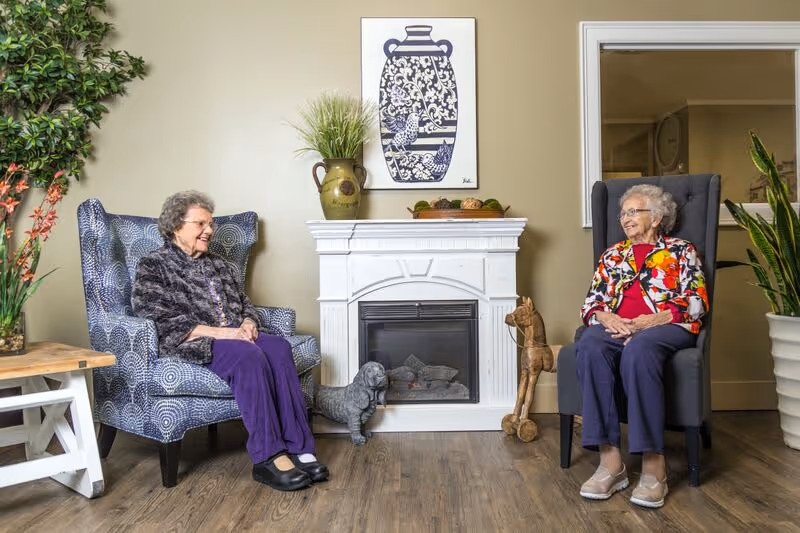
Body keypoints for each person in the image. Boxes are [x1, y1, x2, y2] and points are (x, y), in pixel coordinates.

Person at [131, 190, 328, 491]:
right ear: (174, 226)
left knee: (277, 348)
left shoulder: (220, 265)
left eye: (210, 224)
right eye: (200, 224)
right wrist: (228, 333)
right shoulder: (154, 265)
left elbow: (245, 303)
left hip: (235, 335)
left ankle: (298, 446)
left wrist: (248, 321)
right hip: (194, 342)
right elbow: (157, 318)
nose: (209, 230)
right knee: (249, 357)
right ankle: (268, 456)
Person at [576, 184, 708, 508]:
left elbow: (695, 303)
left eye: (633, 211)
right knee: (590, 344)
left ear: (658, 216)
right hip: (618, 326)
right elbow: (591, 303)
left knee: (639, 349)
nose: (625, 218)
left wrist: (645, 323)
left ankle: (653, 465)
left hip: (665, 326)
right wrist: (607, 318)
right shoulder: (612, 255)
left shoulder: (681, 251)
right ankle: (611, 463)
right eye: (623, 213)